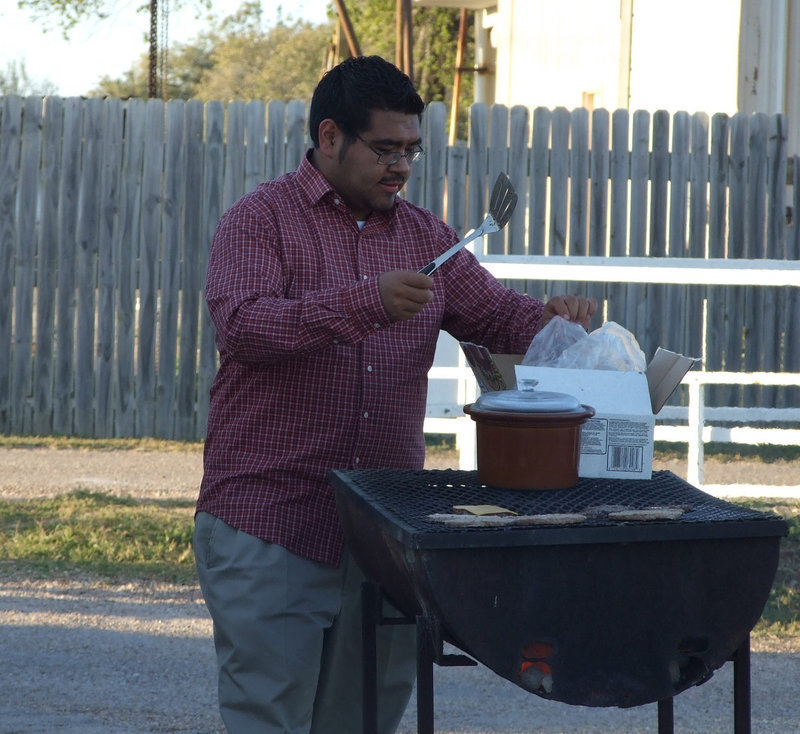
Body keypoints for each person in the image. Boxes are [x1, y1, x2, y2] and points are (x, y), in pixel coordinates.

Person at [193, 54, 597, 734]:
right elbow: (242, 326)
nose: (401, 166)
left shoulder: (424, 235)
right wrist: (363, 305)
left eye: (411, 150)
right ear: (329, 138)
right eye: (384, 149)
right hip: (271, 521)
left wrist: (557, 322)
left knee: (364, 719)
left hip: (383, 533)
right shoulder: (258, 221)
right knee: (270, 718)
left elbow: (496, 317)